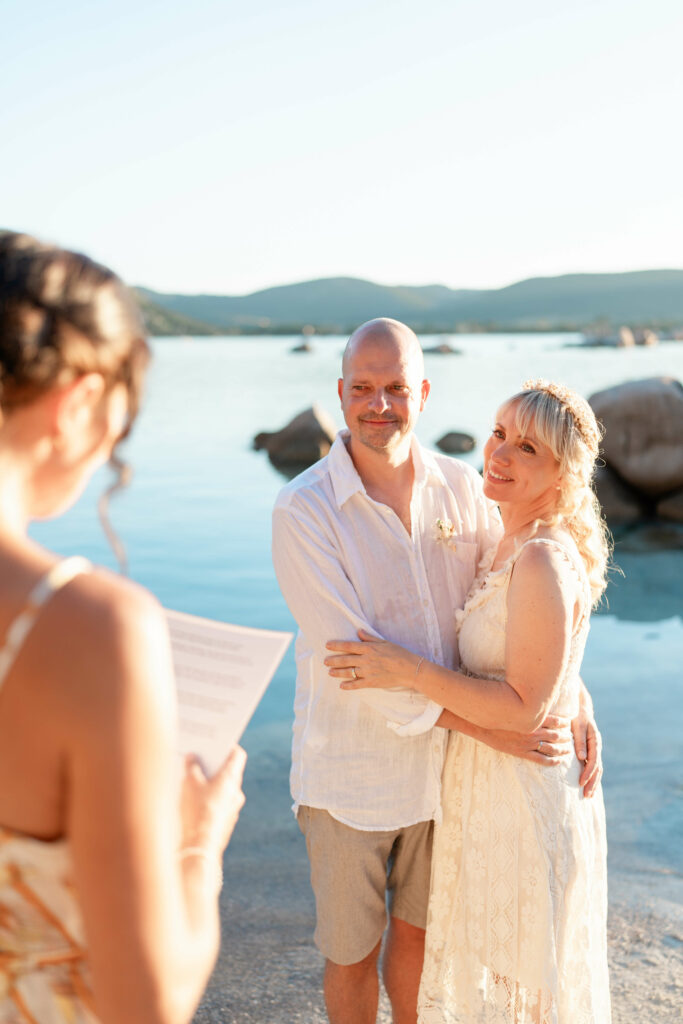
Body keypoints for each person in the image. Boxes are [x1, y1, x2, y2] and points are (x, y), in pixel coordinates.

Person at [272, 320, 602, 1024]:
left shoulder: (464, 490)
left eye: (395, 388)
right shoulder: (303, 512)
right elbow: (351, 668)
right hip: (350, 776)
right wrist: (492, 727)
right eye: (362, 388)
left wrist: (572, 693)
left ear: (422, 393)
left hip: (446, 780)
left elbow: (521, 613)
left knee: (426, 941)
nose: (378, 405)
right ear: (339, 394)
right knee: (351, 952)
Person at [0, 232, 246, 1024]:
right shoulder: (83, 626)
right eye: (118, 419)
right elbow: (151, 1002)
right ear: (74, 402)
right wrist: (196, 849)